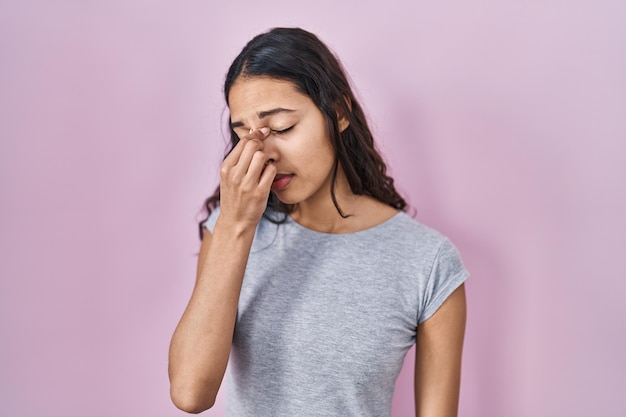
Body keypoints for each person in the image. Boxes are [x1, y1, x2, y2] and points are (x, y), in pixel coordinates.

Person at [168, 27, 469, 417]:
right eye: (244, 135)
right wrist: (235, 225)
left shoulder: (427, 261)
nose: (263, 152)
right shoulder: (229, 230)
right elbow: (190, 393)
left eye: (281, 128)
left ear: (339, 113)